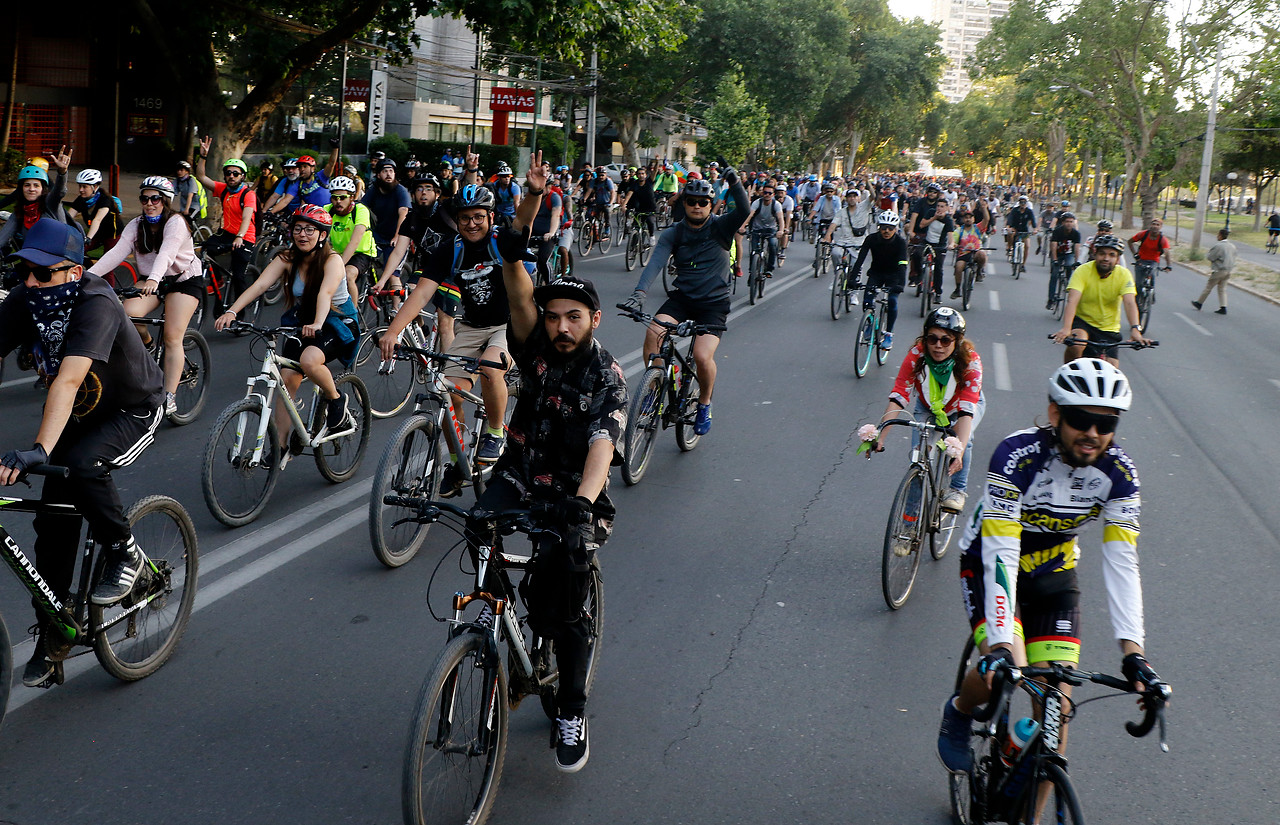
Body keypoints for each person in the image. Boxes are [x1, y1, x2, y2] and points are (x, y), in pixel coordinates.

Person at [937, 359, 1167, 794]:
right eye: (1081, 419)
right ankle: (961, 711)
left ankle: (1033, 816)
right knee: (1001, 670)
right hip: (991, 560)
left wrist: (1134, 654)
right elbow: (1002, 552)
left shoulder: (1119, 475)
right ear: (1056, 414)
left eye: (1106, 423)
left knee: (1055, 710)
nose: (1093, 433)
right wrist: (1002, 643)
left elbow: (1122, 562)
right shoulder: (1017, 456)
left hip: (1054, 570)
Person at [476, 153, 626, 772]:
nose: (561, 326)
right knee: (477, 533)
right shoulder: (533, 342)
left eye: (574, 317)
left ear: (593, 320)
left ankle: (571, 707)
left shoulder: (607, 376)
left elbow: (602, 445)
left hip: (573, 493)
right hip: (519, 473)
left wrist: (583, 503)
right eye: (554, 315)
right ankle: (500, 635)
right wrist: (532, 202)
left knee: (563, 608)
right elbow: (512, 263)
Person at [0, 219, 164, 686]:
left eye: (43, 272)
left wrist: (38, 450)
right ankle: (54, 629)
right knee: (51, 529)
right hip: (74, 415)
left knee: (83, 465)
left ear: (74, 272)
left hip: (131, 408)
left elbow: (70, 378)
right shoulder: (26, 297)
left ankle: (124, 552)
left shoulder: (96, 302)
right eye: (24, 271)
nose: (31, 281)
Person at [378, 184, 521, 477]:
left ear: (491, 217)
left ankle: (495, 433)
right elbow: (421, 293)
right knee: (445, 392)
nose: (471, 223)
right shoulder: (450, 249)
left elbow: (525, 222)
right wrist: (393, 331)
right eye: (465, 218)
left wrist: (535, 193)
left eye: (478, 216)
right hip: (471, 327)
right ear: (457, 220)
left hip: (508, 326)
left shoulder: (501, 242)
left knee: (490, 367)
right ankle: (457, 462)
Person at [214, 205, 360, 464]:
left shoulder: (332, 260)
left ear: (322, 235)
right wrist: (232, 311)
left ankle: (336, 400)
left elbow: (325, 294)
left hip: (336, 321)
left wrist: (317, 323)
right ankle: (280, 447)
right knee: (286, 380)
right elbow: (260, 285)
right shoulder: (287, 258)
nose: (302, 234)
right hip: (303, 321)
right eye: (298, 229)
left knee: (309, 361)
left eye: (310, 230)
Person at [622, 169, 750, 436]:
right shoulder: (674, 232)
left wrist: (735, 182)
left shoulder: (721, 226)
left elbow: (744, 209)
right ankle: (653, 391)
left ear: (710, 205)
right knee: (653, 333)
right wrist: (639, 293)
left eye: (703, 202)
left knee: (702, 356)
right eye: (691, 201)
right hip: (682, 298)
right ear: (684, 203)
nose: (697, 206)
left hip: (713, 304)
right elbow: (655, 263)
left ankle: (704, 403)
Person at [87, 177, 203, 417]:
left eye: (155, 198)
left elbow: (167, 254)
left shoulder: (176, 222)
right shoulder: (137, 225)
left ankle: (169, 396)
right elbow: (116, 253)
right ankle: (149, 345)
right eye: (144, 198)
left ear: (165, 200)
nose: (149, 203)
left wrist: (153, 279)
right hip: (153, 279)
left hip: (183, 280)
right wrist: (87, 277)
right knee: (127, 314)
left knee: (172, 337)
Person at [870, 307, 983, 522]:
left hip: (961, 407)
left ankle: (957, 490)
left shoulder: (971, 361)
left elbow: (967, 410)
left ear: (957, 341)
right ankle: (908, 523)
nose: (938, 345)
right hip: (928, 406)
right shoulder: (917, 355)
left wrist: (958, 451)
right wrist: (880, 436)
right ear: (925, 338)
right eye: (932, 339)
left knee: (963, 442)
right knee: (919, 461)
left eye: (946, 340)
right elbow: (899, 396)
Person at [1050, 235, 1148, 364]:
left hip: (1109, 329)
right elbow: (1072, 301)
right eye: (1102, 253)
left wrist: (1135, 329)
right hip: (1083, 322)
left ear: (1117, 259)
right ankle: (1068, 371)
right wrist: (1066, 328)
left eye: (1112, 255)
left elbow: (1130, 302)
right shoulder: (1082, 271)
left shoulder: (1124, 275)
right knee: (1076, 345)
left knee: (1112, 369)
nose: (1106, 258)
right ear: (1095, 254)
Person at [195, 136, 257, 298]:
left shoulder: (248, 194)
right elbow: (201, 177)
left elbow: (247, 218)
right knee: (206, 250)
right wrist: (203, 156)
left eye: (236, 173)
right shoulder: (223, 189)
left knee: (238, 276)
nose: (231, 176)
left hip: (245, 236)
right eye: (228, 173)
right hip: (227, 233)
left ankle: (241, 309)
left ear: (242, 176)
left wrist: (240, 237)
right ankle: (218, 281)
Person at [849, 210, 910, 349]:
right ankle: (870, 323)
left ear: (895, 229)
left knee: (892, 301)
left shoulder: (900, 242)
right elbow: (860, 259)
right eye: (883, 227)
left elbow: (903, 264)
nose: (886, 231)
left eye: (890, 228)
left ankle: (888, 334)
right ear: (879, 227)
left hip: (894, 275)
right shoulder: (871, 239)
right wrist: (852, 279)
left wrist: (901, 284)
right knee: (867, 300)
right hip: (876, 273)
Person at [0, 148, 72, 257]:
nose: (31, 189)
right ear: (21, 188)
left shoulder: (50, 203)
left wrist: (62, 173)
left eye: (36, 185)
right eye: (27, 185)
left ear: (43, 189)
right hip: (32, 258)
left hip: (58, 257)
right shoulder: (20, 211)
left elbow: (59, 191)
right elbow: (3, 236)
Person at [323, 175, 378, 300]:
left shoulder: (360, 210)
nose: (338, 201)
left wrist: (339, 266)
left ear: (352, 197)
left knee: (348, 275)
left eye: (343, 198)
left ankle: (352, 311)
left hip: (361, 252)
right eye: (334, 198)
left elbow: (355, 241)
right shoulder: (327, 210)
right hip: (338, 252)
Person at [361, 158, 412, 266]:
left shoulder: (400, 190)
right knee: (365, 262)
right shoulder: (374, 190)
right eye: (385, 171)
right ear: (378, 175)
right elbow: (362, 208)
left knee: (391, 269)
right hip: (377, 234)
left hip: (396, 234)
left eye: (391, 171)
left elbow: (403, 212)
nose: (389, 174)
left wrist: (397, 236)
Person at [68, 169, 122, 259]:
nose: (81, 190)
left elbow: (97, 220)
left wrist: (88, 238)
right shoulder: (81, 199)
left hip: (112, 234)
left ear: (95, 187)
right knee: (76, 251)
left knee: (107, 260)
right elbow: (68, 217)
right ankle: (88, 266)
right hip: (96, 233)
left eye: (84, 187)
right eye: (80, 186)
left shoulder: (105, 200)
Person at [1193, 227, 1235, 315]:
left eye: (1218, 235)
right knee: (1222, 289)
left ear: (1220, 235)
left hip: (1219, 270)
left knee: (1209, 287)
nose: (1217, 236)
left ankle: (1199, 303)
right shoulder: (1232, 246)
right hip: (1228, 270)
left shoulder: (1218, 246)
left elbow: (1211, 257)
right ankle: (1223, 306)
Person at [745, 184, 785, 277]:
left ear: (773, 194)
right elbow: (750, 215)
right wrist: (743, 227)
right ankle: (752, 271)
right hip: (757, 228)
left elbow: (780, 218)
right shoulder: (757, 203)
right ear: (762, 193)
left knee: (772, 244)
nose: (767, 195)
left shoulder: (776, 204)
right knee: (754, 250)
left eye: (769, 193)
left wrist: (781, 230)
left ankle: (769, 269)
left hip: (771, 229)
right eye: (765, 192)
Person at [1047, 211, 1082, 309]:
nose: (1069, 224)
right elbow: (1053, 246)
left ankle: (1068, 282)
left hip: (1069, 254)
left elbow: (1077, 248)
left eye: (1071, 222)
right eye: (1067, 221)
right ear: (1062, 222)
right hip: (1057, 254)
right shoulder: (1057, 231)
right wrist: (1054, 260)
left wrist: (1077, 261)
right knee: (1054, 275)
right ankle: (1051, 299)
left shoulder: (1076, 233)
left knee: (1069, 265)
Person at [1126, 218, 1171, 294]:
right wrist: (1135, 254)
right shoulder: (1143, 234)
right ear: (1150, 225)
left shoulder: (1162, 239)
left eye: (1157, 225)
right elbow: (1130, 241)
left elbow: (1167, 252)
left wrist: (1168, 265)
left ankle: (1151, 295)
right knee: (1138, 284)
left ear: (1161, 227)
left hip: (1154, 261)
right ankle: (1137, 299)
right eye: (1153, 224)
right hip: (1141, 260)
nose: (1155, 226)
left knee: (1152, 275)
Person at [949, 209, 986, 299]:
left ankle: (979, 272)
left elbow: (986, 219)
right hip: (963, 254)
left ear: (973, 219)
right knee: (958, 267)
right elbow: (953, 241)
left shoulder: (978, 228)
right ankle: (957, 289)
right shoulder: (959, 230)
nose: (968, 219)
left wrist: (984, 208)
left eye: (970, 217)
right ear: (963, 219)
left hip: (975, 253)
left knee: (982, 255)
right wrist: (952, 245)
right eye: (966, 218)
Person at [487, 161, 522, 227]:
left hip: (511, 213)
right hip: (498, 213)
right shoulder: (495, 186)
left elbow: (516, 203)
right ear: (499, 178)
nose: (507, 178)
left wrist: (519, 218)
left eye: (509, 176)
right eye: (504, 176)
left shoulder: (514, 187)